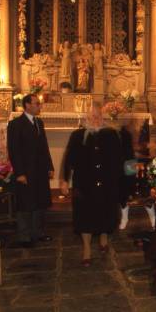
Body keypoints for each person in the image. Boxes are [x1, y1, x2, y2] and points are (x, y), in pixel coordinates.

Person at [60, 104, 122, 265]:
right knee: (84, 215)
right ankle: (86, 248)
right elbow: (69, 159)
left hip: (107, 182)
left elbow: (119, 159)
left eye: (98, 116)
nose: (95, 120)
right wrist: (64, 179)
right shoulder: (77, 135)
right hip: (84, 183)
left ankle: (103, 237)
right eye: (92, 117)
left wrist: (124, 180)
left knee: (106, 212)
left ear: (102, 118)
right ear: (86, 119)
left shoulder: (111, 134)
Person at [7, 94, 54, 247]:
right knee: (26, 203)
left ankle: (38, 233)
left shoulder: (39, 122)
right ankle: (24, 236)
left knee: (39, 201)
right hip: (26, 170)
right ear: (27, 105)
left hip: (40, 170)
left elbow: (44, 146)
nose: (39, 106)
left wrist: (49, 166)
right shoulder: (16, 124)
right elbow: (14, 150)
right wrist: (19, 173)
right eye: (37, 103)